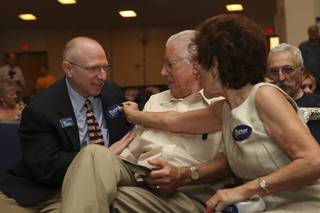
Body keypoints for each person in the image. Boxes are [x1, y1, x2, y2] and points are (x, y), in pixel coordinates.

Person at [122, 14, 320, 212]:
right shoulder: (225, 109)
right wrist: (135, 115)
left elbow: (313, 161)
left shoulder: (263, 96)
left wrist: (245, 190)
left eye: (200, 63)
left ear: (215, 66)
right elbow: (173, 120)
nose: (197, 71)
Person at [60, 30, 225, 213]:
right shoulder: (156, 101)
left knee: (102, 194)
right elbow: (132, 150)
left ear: (195, 65)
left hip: (186, 194)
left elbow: (230, 165)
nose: (162, 72)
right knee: (93, 154)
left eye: (170, 65)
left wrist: (184, 175)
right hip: (141, 178)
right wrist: (108, 161)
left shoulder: (220, 105)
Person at [0, 37, 133, 213]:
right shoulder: (41, 109)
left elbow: (129, 136)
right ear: (68, 68)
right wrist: (103, 157)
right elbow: (46, 168)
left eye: (105, 67)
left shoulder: (112, 93)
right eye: (93, 68)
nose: (103, 76)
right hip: (51, 190)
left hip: (111, 184)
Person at [268, 43, 320, 144]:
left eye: (288, 69)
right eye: (274, 71)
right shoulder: (263, 107)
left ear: (301, 71)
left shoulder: (317, 104)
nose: (281, 77)